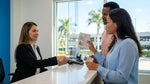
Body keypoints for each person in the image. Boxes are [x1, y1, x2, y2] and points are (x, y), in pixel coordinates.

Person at [86, 8, 142, 84]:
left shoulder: (128, 44)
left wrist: (97, 68)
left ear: (117, 23)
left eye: (108, 22)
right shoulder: (117, 42)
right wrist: (93, 50)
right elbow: (107, 63)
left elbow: (121, 77)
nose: (106, 26)